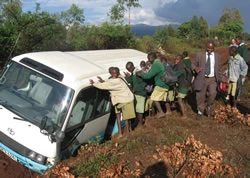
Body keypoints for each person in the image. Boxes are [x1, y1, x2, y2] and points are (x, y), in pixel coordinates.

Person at [89, 67, 135, 137]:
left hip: (126, 100)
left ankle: (127, 133)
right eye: (112, 73)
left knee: (126, 118)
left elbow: (105, 86)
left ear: (118, 72)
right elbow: (110, 81)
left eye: (115, 73)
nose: (114, 74)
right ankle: (121, 132)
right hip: (118, 100)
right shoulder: (120, 77)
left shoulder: (117, 81)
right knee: (120, 116)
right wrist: (102, 80)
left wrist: (94, 83)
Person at [192, 41, 223, 119]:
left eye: (211, 48)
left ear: (214, 48)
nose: (209, 50)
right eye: (208, 48)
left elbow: (219, 69)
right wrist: (195, 68)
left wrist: (220, 79)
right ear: (205, 47)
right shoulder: (199, 55)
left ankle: (209, 105)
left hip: (213, 79)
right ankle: (200, 111)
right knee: (200, 96)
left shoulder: (218, 56)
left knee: (213, 93)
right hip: (202, 78)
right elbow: (192, 63)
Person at [137, 52, 170, 118]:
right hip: (164, 83)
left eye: (149, 59)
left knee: (154, 98)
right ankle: (169, 111)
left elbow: (149, 76)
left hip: (161, 84)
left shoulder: (156, 64)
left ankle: (161, 112)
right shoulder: (158, 63)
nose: (148, 60)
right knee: (164, 98)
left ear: (152, 58)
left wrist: (142, 75)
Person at [125, 61, 147, 127]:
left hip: (140, 92)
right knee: (137, 109)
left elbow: (144, 75)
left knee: (139, 109)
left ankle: (140, 124)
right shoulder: (133, 73)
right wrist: (127, 77)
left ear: (132, 66)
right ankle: (137, 122)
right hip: (137, 93)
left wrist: (141, 73)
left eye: (129, 69)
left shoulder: (137, 71)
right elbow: (131, 80)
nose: (129, 71)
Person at [235, 36, 249, 101]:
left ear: (240, 40)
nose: (236, 42)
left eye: (236, 40)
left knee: (240, 81)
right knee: (238, 81)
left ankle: (239, 95)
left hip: (242, 67)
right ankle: (236, 94)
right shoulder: (239, 47)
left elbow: (246, 58)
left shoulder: (244, 47)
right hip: (238, 66)